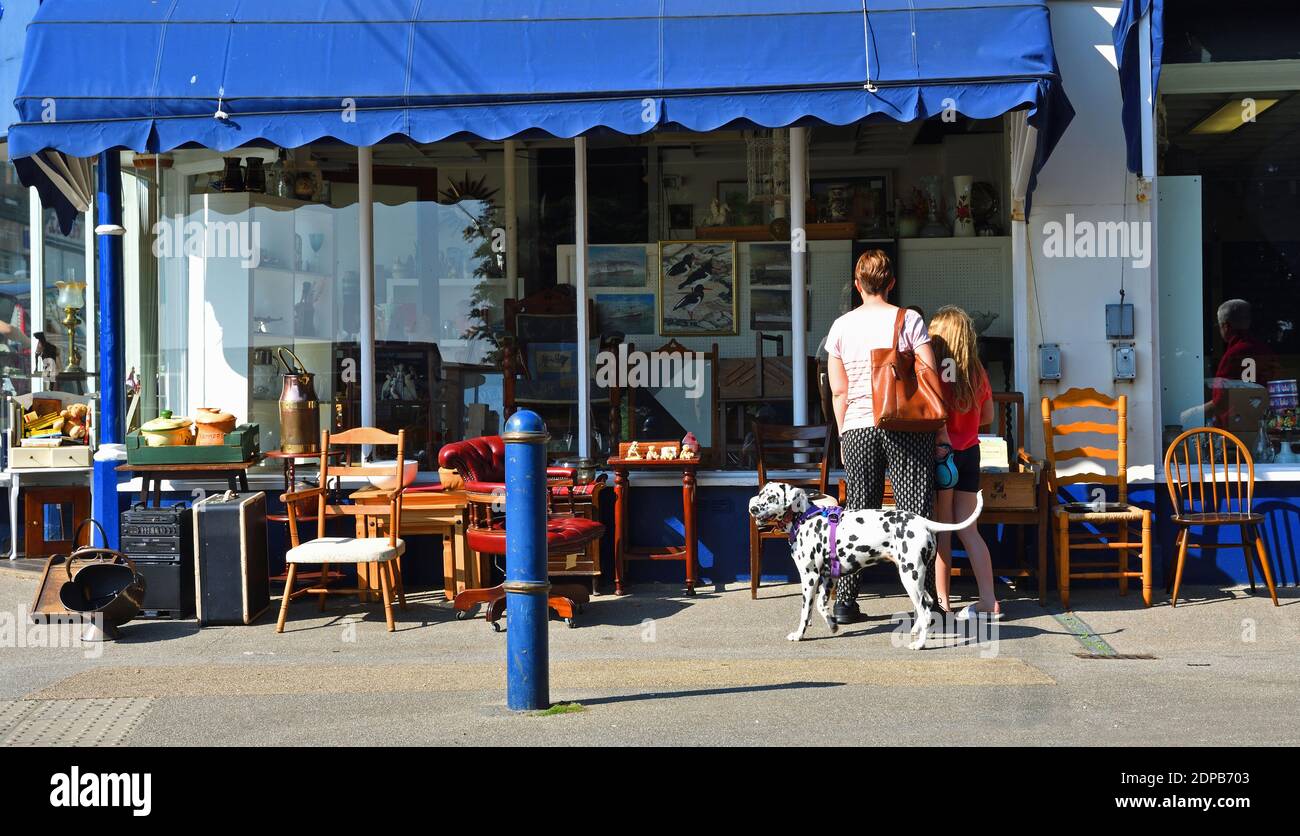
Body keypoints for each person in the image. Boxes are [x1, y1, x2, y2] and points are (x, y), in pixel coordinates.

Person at [825, 250, 941, 623]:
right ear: (891, 282)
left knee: (858, 515)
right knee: (915, 513)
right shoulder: (910, 320)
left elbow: (838, 391)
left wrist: (844, 434)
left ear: (857, 285)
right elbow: (929, 374)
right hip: (905, 425)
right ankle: (924, 603)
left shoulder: (840, 327)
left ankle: (845, 602)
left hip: (858, 427)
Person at [928, 306, 999, 619]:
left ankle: (943, 602)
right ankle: (988, 600)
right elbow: (988, 415)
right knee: (969, 529)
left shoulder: (935, 369)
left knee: (943, 530)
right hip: (971, 452)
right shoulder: (977, 371)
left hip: (944, 455)